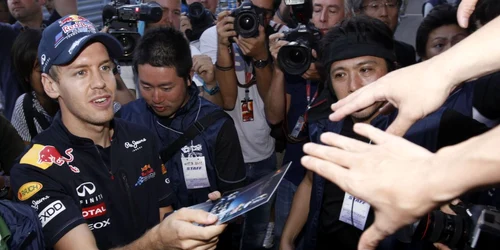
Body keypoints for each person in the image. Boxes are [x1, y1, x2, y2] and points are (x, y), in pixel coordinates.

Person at [11, 15, 225, 250]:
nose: (100, 82)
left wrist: (194, 226)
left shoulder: (142, 138)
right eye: (81, 72)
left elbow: (164, 217)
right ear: (51, 85)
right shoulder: (36, 168)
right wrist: (160, 241)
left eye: (104, 67)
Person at [299, 0, 500, 249]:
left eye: (366, 69)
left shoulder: (434, 126)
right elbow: (311, 182)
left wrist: (446, 177)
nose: (353, 86)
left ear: (393, 72)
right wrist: (287, 238)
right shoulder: (325, 126)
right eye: (340, 74)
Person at [265, 0, 349, 248]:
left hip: (334, 182)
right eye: (317, 9)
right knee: (285, 239)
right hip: (293, 173)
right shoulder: (297, 51)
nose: (323, 18)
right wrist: (280, 67)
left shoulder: (351, 58)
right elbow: (274, 117)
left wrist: (326, 74)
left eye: (332, 10)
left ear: (347, 15)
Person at [200, 1, 280, 249]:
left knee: (256, 232)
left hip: (264, 152)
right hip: (229, 157)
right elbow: (228, 99)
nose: (252, 17)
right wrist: (225, 46)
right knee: (225, 233)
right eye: (249, 8)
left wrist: (261, 56)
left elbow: (273, 109)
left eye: (262, 13)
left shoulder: (276, 37)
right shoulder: (214, 35)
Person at [0, 0, 76, 120]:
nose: (14, 1)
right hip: (21, 128)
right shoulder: (5, 35)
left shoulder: (58, 27)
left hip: (66, 121)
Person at [10, 29, 59, 143]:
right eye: (41, 69)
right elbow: (23, 154)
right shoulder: (25, 106)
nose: (48, 74)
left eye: (53, 66)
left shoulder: (74, 96)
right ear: (26, 75)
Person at [350, 0, 416, 67]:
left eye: (391, 5)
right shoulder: (347, 51)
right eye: (374, 6)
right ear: (357, 12)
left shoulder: (406, 52)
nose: (384, 13)